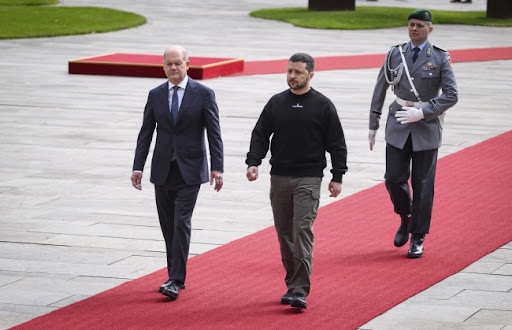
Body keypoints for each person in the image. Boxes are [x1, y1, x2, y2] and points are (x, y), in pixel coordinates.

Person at [246, 53, 348, 310]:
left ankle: (300, 289)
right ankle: (292, 283)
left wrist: (337, 176)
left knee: (301, 231)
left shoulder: (323, 105)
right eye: (290, 71)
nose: (292, 76)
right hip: (279, 177)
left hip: (309, 179)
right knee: (284, 235)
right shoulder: (276, 103)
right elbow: (260, 134)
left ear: (311, 75)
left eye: (298, 72)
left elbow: (337, 144)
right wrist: (253, 162)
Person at [131, 45, 224, 300]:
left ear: (187, 64)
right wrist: (137, 166)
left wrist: (218, 167)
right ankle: (175, 274)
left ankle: (175, 278)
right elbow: (146, 133)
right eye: (169, 64)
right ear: (163, 67)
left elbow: (214, 133)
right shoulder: (155, 94)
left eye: (178, 63)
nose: (174, 68)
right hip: (163, 170)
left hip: (190, 170)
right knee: (168, 226)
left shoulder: (203, 94)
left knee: (181, 222)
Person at [368, 9, 458, 258]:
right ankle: (406, 216)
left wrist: (424, 112)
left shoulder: (440, 58)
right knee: (393, 178)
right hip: (398, 121)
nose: (414, 29)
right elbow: (381, 86)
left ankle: (418, 236)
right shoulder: (395, 53)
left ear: (430, 29)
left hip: (426, 125)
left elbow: (452, 94)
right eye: (411, 25)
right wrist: (373, 122)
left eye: (419, 25)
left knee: (423, 184)